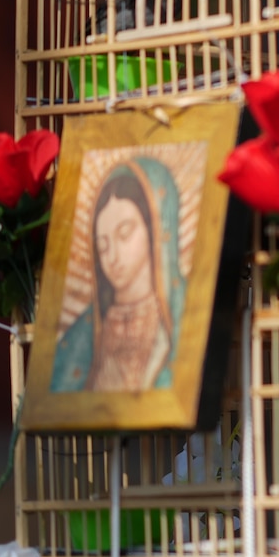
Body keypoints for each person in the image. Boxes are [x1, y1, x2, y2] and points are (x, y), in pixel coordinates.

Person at [52, 158, 187, 392]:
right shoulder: (82, 336)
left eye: (124, 234)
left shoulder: (186, 312)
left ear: (155, 229)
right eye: (102, 246)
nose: (112, 257)